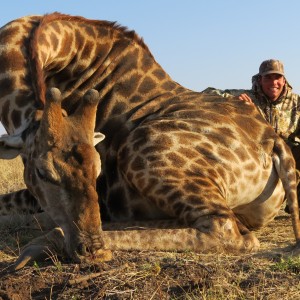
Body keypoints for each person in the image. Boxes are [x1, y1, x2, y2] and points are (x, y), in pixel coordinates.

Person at [202, 59, 300, 211]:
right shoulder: (246, 97)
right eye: (268, 78)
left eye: (277, 77)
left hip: (288, 151)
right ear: (260, 79)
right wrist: (233, 102)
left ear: (284, 80)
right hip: (256, 151)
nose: (273, 82)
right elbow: (207, 93)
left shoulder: (296, 102)